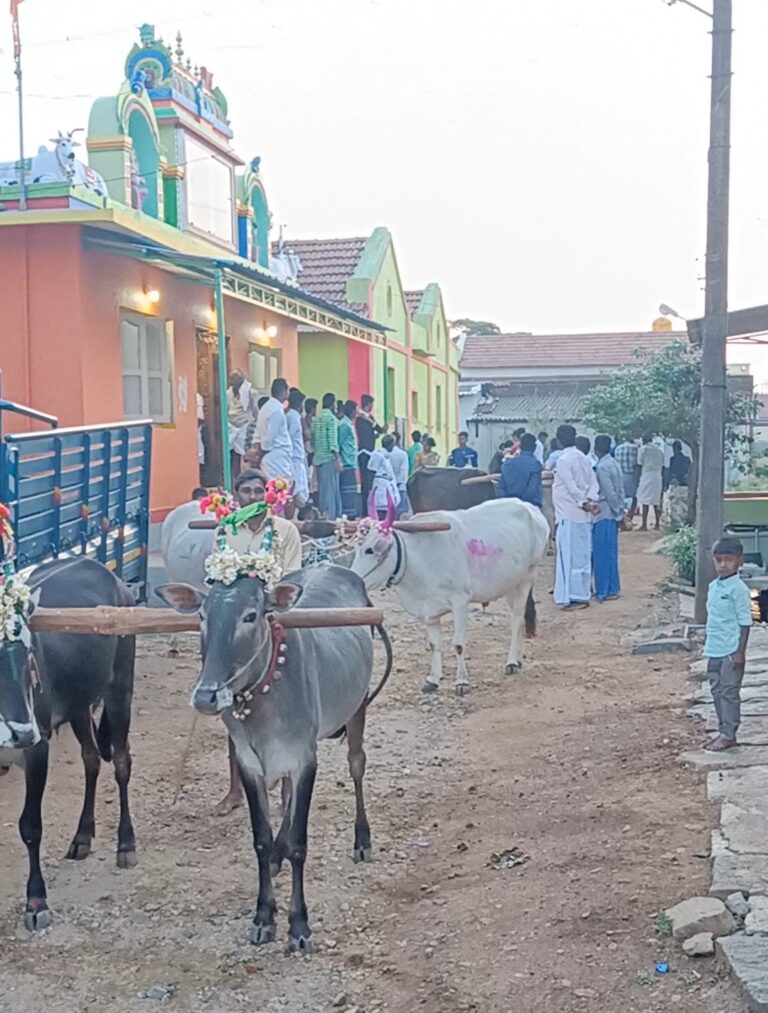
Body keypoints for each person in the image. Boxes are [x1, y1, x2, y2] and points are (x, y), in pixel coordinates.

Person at [216, 468, 304, 814]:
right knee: (231, 703)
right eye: (245, 492)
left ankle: (286, 787)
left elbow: (293, 579)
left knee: (285, 706)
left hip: (275, 621)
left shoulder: (285, 531)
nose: (252, 497)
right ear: (236, 497)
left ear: (270, 495)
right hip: (237, 631)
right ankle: (236, 788)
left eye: (258, 491)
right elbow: (219, 579)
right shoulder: (226, 530)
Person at [704, 537, 752, 752]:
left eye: (728, 560)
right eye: (719, 560)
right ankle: (722, 729)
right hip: (714, 648)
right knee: (716, 690)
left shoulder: (739, 589)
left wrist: (740, 652)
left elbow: (745, 623)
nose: (723, 565)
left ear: (739, 561)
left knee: (729, 693)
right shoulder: (713, 586)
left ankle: (729, 733)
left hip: (731, 651)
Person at [553, 424, 599, 610]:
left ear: (559, 440)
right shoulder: (584, 458)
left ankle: (570, 597)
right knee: (582, 556)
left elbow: (571, 487)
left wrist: (584, 502)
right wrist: (591, 501)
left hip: (568, 515)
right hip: (584, 516)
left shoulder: (564, 460)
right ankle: (582, 594)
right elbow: (593, 483)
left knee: (567, 558)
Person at [592, 434, 624, 601]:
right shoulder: (614, 464)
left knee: (601, 554)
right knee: (611, 552)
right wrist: (620, 511)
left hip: (603, 512)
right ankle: (613, 587)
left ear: (595, 448)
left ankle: (603, 590)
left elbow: (609, 492)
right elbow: (620, 490)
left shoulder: (602, 467)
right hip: (612, 514)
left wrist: (616, 508)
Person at [247, 378, 293, 483]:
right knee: (280, 490)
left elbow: (258, 435)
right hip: (276, 457)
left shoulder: (266, 408)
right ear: (284, 391)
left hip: (271, 457)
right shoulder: (276, 410)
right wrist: (259, 456)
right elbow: (268, 441)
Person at [312, 392, 342, 519]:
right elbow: (333, 441)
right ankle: (331, 518)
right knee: (331, 491)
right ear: (332, 404)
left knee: (323, 491)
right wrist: (337, 459)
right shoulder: (331, 419)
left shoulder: (316, 419)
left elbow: (313, 440)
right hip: (329, 458)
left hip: (318, 459)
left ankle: (323, 514)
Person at [355, 394, 385, 508]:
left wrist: (378, 432)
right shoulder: (360, 419)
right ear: (367, 405)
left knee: (371, 480)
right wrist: (375, 433)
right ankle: (364, 507)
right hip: (364, 451)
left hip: (371, 451)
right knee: (365, 481)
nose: (372, 406)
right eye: (371, 404)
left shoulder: (370, 418)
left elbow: (376, 431)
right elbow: (365, 435)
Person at [498, 433, 543, 507]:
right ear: (534, 447)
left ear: (520, 446)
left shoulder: (507, 464)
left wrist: (509, 503)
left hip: (508, 506)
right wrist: (522, 504)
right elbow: (532, 489)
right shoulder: (535, 465)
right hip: (528, 508)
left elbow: (501, 488)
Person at [226, 369, 255, 477]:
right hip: (231, 425)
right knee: (231, 454)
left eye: (235, 378)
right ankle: (232, 479)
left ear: (241, 379)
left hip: (245, 426)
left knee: (244, 455)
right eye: (231, 378)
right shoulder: (228, 393)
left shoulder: (250, 392)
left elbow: (254, 410)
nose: (232, 381)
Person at [286, 388, 309, 507]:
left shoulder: (291, 415)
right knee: (299, 490)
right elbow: (289, 436)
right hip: (295, 458)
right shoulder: (293, 416)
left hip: (297, 457)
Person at [637, 433, 664, 531]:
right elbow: (663, 465)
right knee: (656, 501)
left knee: (645, 500)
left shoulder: (643, 450)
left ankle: (644, 524)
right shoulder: (659, 451)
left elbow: (639, 464)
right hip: (657, 476)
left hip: (647, 474)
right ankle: (657, 524)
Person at [368, 435, 400, 517]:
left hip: (388, 485)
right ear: (390, 444)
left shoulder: (386, 456)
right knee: (382, 512)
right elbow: (371, 471)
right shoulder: (378, 455)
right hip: (380, 486)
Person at [338, 399, 360, 518]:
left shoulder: (349, 424)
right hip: (346, 462)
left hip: (351, 462)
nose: (357, 414)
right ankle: (347, 516)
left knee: (351, 492)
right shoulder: (344, 425)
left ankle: (351, 515)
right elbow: (340, 443)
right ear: (351, 412)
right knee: (347, 492)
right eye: (356, 411)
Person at [614, 435, 639, 518]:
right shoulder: (634, 448)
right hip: (630, 475)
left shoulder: (618, 448)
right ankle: (630, 517)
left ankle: (621, 518)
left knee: (621, 497)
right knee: (634, 497)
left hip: (619, 475)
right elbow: (635, 464)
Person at [388, 432, 411, 516]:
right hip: (400, 486)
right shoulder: (402, 454)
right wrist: (398, 483)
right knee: (401, 511)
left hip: (388, 486)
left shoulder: (383, 454)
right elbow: (404, 472)